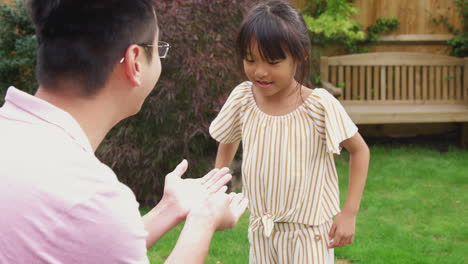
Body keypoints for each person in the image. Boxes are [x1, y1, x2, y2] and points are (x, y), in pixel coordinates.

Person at [0, 0, 248, 263]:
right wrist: (204, 219)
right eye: (158, 49)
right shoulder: (89, 196)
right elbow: (89, 217)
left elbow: (80, 242)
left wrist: (169, 208)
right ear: (135, 62)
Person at [209, 0, 370, 263]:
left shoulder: (319, 106)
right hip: (261, 231)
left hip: (309, 236)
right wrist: (218, 189)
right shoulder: (242, 98)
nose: (260, 71)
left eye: (273, 61)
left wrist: (349, 213)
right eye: (251, 59)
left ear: (300, 54)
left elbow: (360, 150)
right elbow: (228, 139)